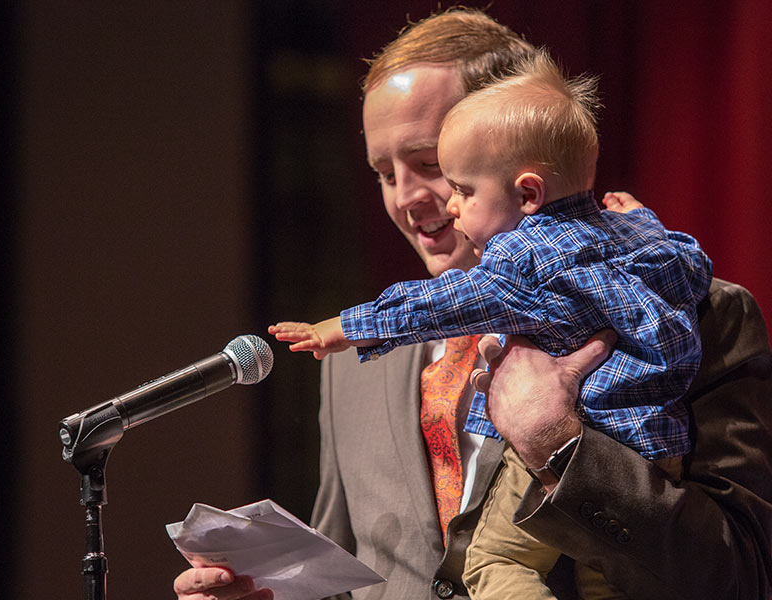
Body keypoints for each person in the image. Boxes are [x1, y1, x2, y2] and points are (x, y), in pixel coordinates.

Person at [174, 8, 772, 600]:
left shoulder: (698, 314)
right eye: (384, 173)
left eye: (431, 163)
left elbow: (742, 575)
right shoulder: (351, 360)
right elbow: (344, 577)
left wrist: (558, 446)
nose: (407, 198)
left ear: (516, 149)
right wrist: (266, 594)